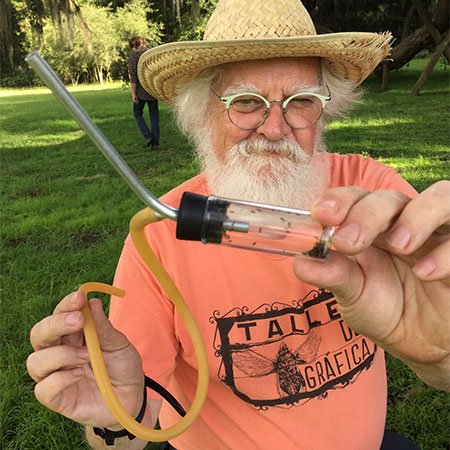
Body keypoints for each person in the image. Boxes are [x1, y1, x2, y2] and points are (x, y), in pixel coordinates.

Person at [27, 1, 449, 449]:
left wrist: (439, 353)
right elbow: (130, 430)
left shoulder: (371, 192)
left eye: (300, 101)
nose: (274, 127)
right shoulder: (158, 239)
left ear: (323, 111)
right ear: (200, 114)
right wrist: (119, 414)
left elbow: (436, 345)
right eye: (245, 102)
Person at [129, 36, 160, 149]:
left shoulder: (133, 55)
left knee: (137, 114)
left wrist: (133, 93)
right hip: (152, 88)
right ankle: (155, 143)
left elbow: (133, 76)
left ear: (133, 46)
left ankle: (148, 136)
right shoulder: (151, 52)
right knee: (154, 116)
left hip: (140, 90)